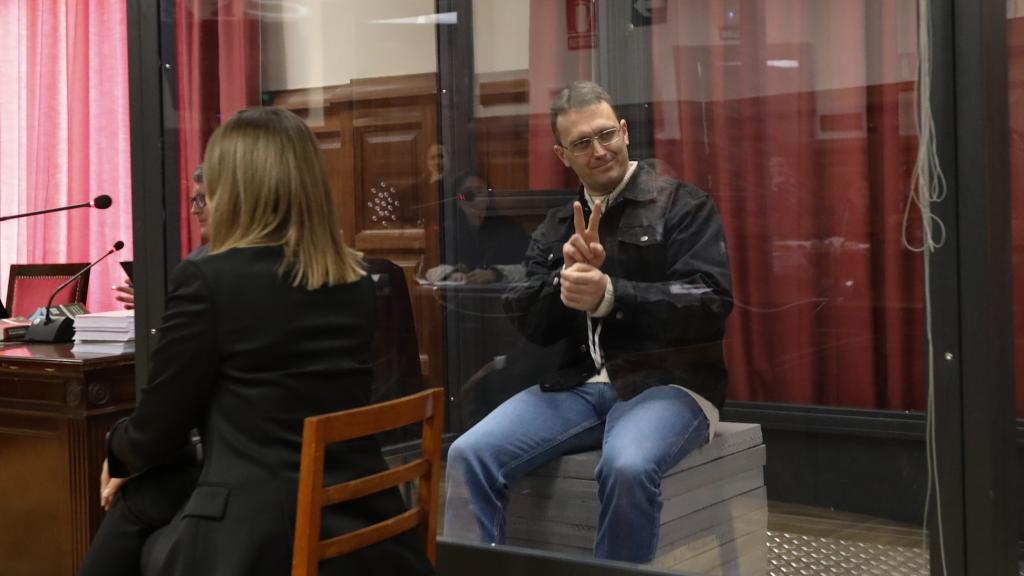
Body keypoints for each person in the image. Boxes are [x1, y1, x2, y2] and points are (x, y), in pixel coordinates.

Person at [78, 107, 433, 576]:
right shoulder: (355, 279)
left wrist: (117, 453)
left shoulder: (208, 278)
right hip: (363, 510)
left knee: (139, 492)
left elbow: (157, 431)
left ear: (234, 188)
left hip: (260, 531)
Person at [443, 81, 733, 563]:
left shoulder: (684, 205)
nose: (599, 151)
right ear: (562, 154)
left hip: (670, 384)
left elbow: (710, 302)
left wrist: (611, 296)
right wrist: (565, 281)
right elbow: (530, 324)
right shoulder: (559, 226)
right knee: (467, 455)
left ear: (623, 131)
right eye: (581, 143)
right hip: (576, 386)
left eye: (605, 135)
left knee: (627, 465)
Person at [113, 165, 210, 309]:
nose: (194, 210)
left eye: (201, 199)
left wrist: (159, 302)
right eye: (194, 201)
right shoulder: (198, 258)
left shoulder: (208, 265)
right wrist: (155, 301)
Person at [425, 173, 528, 284]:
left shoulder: (510, 230)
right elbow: (428, 268)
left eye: (479, 192)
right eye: (467, 194)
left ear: (488, 197)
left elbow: (530, 268)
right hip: (460, 297)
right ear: (459, 200)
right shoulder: (448, 231)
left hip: (502, 296)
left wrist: (495, 274)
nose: (474, 199)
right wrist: (451, 273)